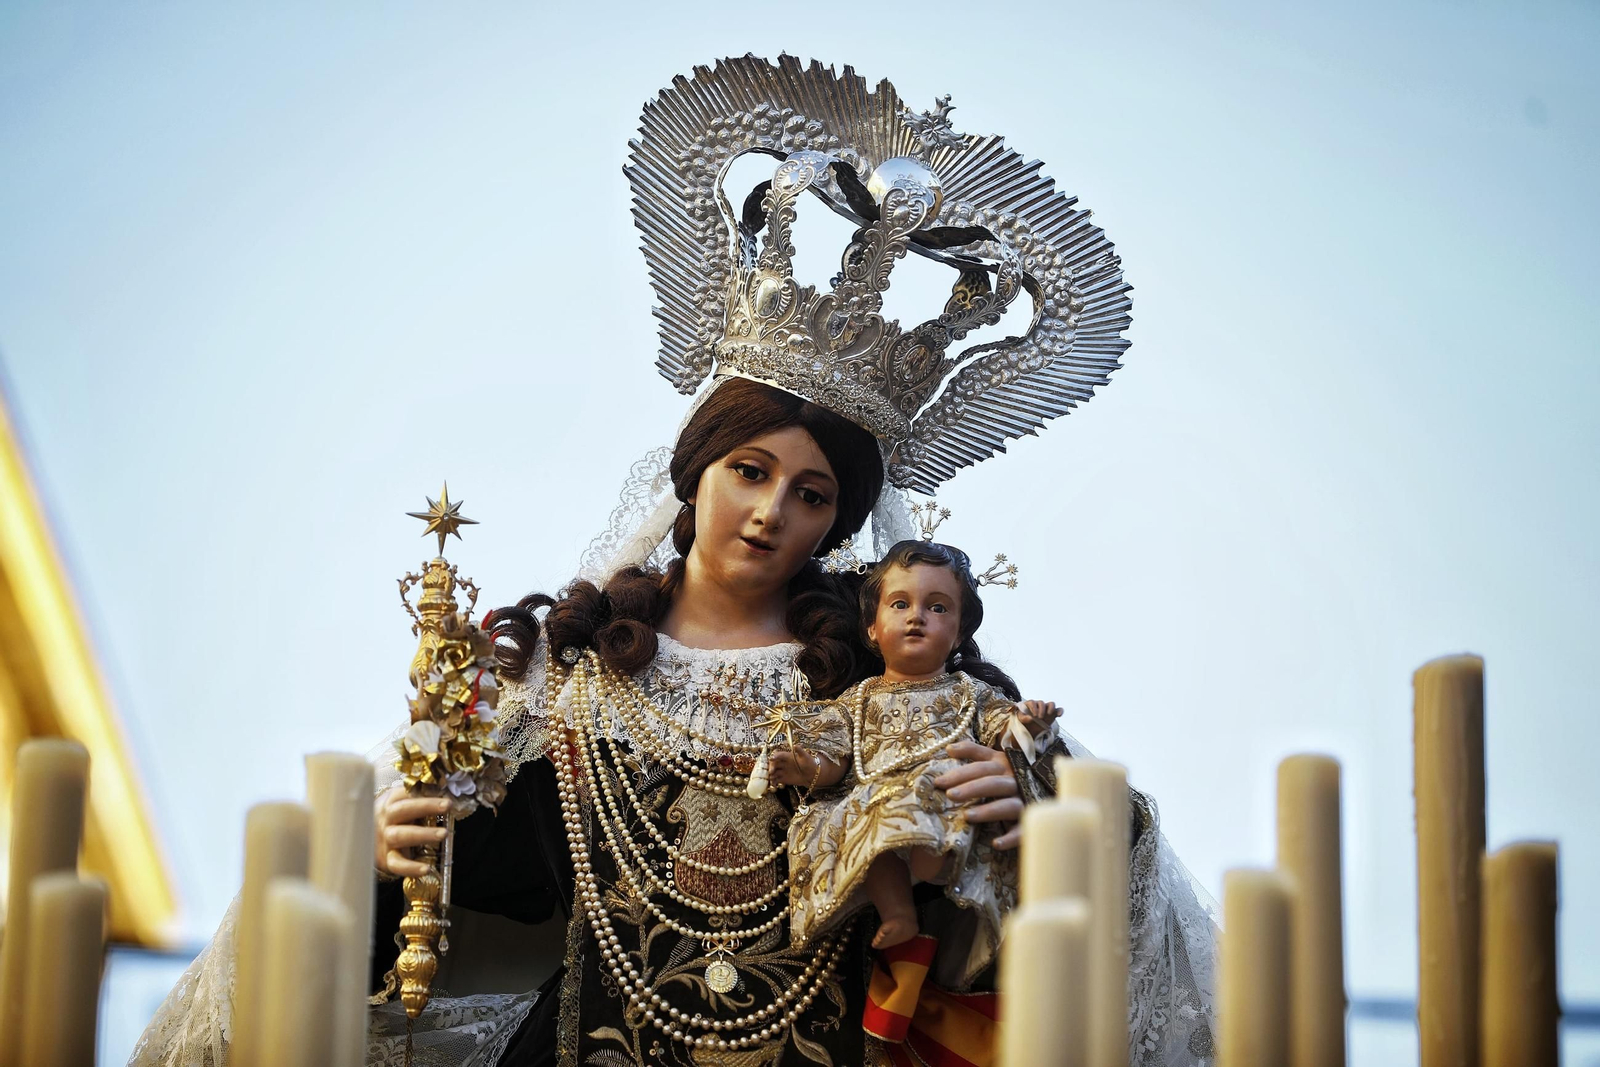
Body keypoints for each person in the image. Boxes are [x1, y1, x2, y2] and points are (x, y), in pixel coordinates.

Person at [131, 55, 1219, 1067]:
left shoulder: (891, 682)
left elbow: (1089, 889)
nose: (769, 512)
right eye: (749, 470)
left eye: (811, 493)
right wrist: (377, 860)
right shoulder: (571, 678)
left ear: (839, 521)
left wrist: (1026, 822)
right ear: (693, 473)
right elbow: (430, 906)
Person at [769, 538, 1061, 983]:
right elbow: (834, 758)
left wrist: (1032, 728)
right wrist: (804, 768)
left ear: (961, 631)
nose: (917, 617)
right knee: (854, 814)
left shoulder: (972, 694)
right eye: (900, 603)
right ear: (871, 627)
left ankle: (937, 874)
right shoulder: (855, 701)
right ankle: (898, 910)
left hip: (945, 811)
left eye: (939, 607)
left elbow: (1007, 741)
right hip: (874, 813)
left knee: (942, 779)